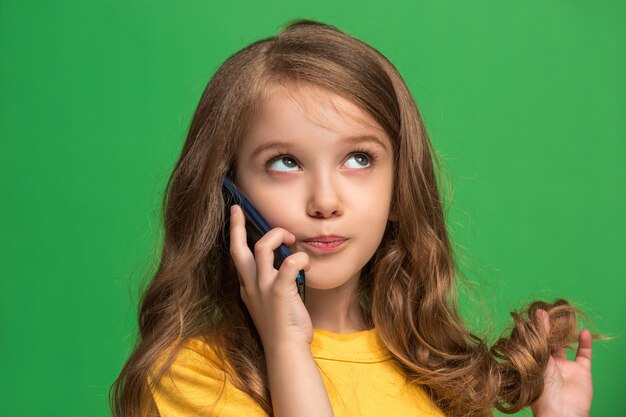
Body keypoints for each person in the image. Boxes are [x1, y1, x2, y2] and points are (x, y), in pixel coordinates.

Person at [110, 19, 594, 417]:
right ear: (229, 195)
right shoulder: (193, 376)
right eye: (285, 162)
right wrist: (287, 349)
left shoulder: (441, 377)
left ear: (399, 189)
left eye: (359, 159)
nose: (325, 201)